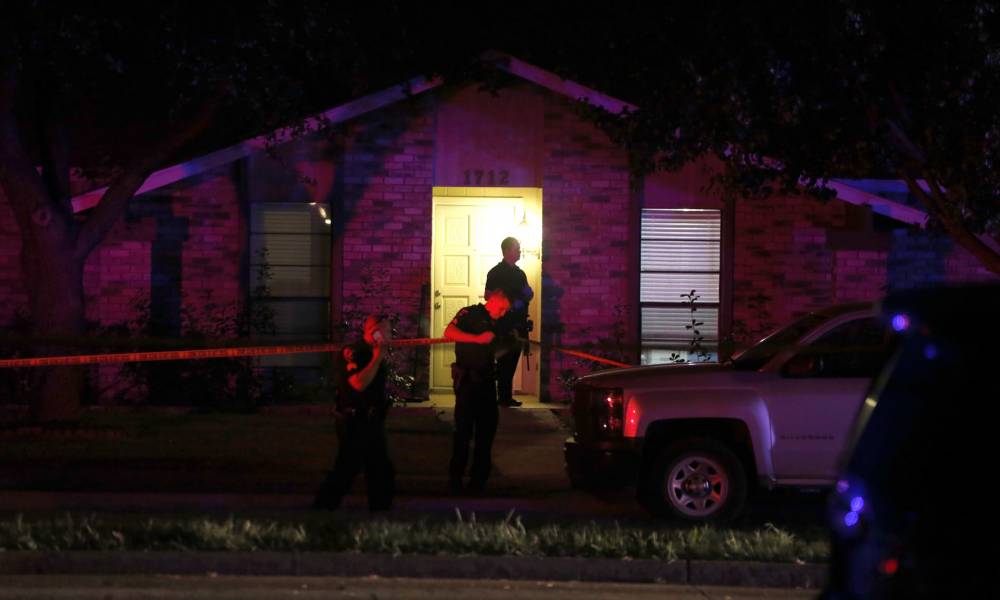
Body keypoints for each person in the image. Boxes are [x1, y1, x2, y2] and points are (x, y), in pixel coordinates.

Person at [313, 315, 395, 511]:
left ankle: (380, 510)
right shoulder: (354, 352)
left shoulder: (373, 351)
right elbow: (358, 384)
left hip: (372, 419)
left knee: (380, 467)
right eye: (386, 331)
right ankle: (323, 507)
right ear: (374, 331)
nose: (390, 336)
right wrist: (377, 358)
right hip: (355, 420)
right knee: (348, 467)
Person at [444, 289, 511, 494]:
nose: (502, 314)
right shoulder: (469, 313)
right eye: (501, 309)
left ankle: (478, 481)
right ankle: (455, 480)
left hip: (487, 383)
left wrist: (509, 342)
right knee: (463, 432)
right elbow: (449, 332)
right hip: (467, 383)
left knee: (486, 433)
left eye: (505, 311)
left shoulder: (498, 323)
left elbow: (499, 350)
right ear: (492, 302)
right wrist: (477, 339)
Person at [484, 237, 534, 407]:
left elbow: (527, 294)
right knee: (503, 362)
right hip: (503, 325)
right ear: (506, 250)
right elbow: (488, 296)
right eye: (516, 248)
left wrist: (526, 296)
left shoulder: (520, 274)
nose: (519, 251)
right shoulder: (495, 273)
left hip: (518, 324)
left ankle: (505, 397)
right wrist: (508, 303)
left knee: (512, 362)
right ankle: (501, 397)